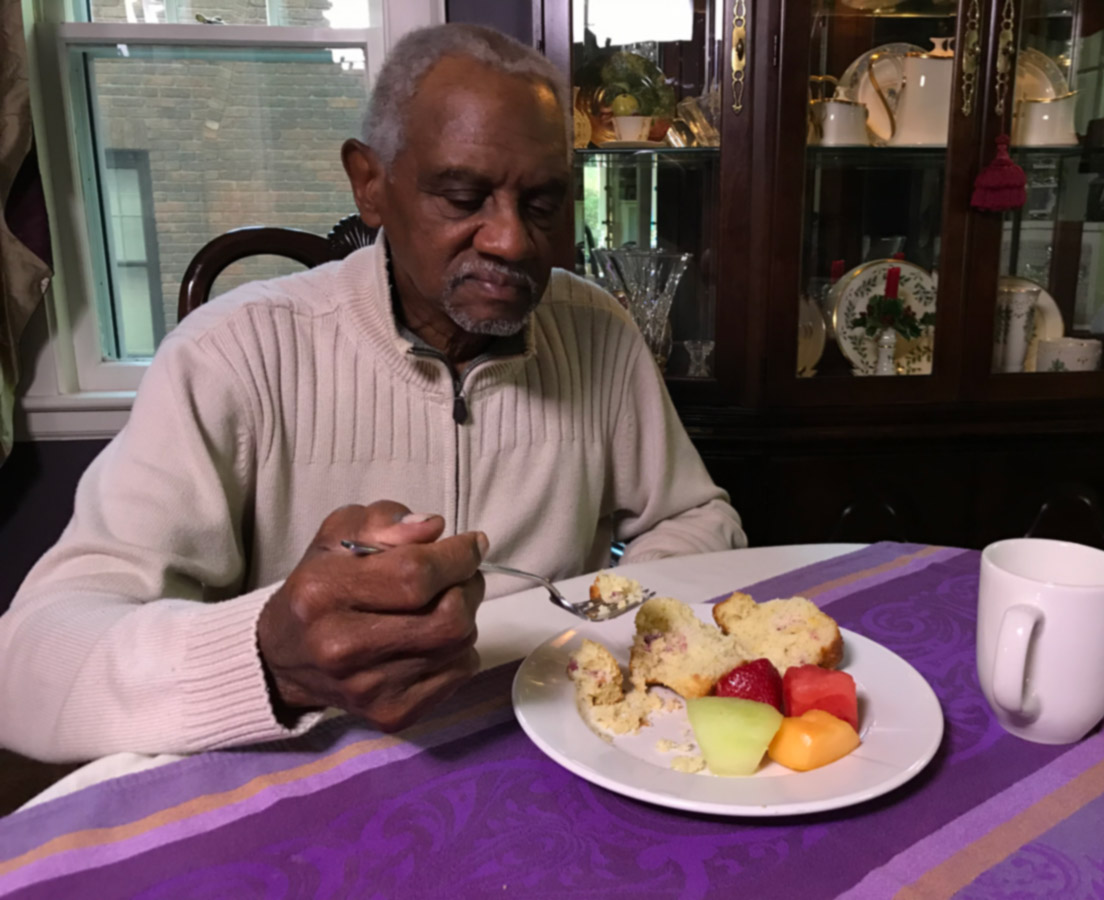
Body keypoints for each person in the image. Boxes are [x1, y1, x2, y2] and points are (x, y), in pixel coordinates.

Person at [0, 23, 746, 764]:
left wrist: (607, 617)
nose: (513, 242)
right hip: (316, 780)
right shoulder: (232, 354)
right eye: (462, 197)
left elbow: (697, 518)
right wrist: (271, 657)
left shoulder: (597, 331)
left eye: (544, 204)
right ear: (370, 183)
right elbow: (29, 669)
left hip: (556, 753)